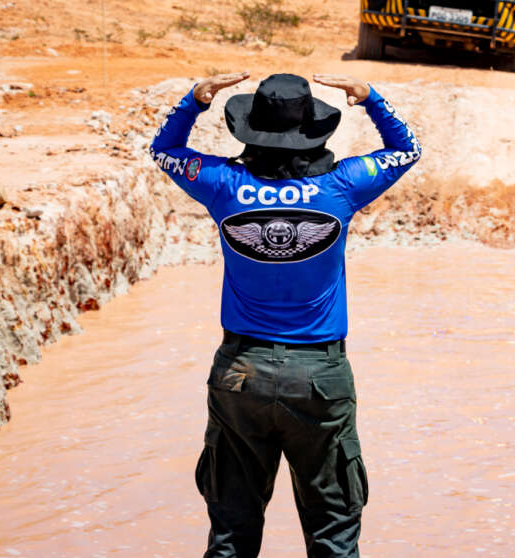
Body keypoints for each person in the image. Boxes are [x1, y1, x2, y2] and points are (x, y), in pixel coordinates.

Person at [150, 71, 421, 558]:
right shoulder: (342, 185)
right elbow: (407, 150)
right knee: (334, 534)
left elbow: (163, 149)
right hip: (320, 377)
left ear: (249, 129)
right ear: (312, 129)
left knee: (231, 535)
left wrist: (193, 102)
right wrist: (372, 100)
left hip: (240, 374)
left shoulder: (223, 184)